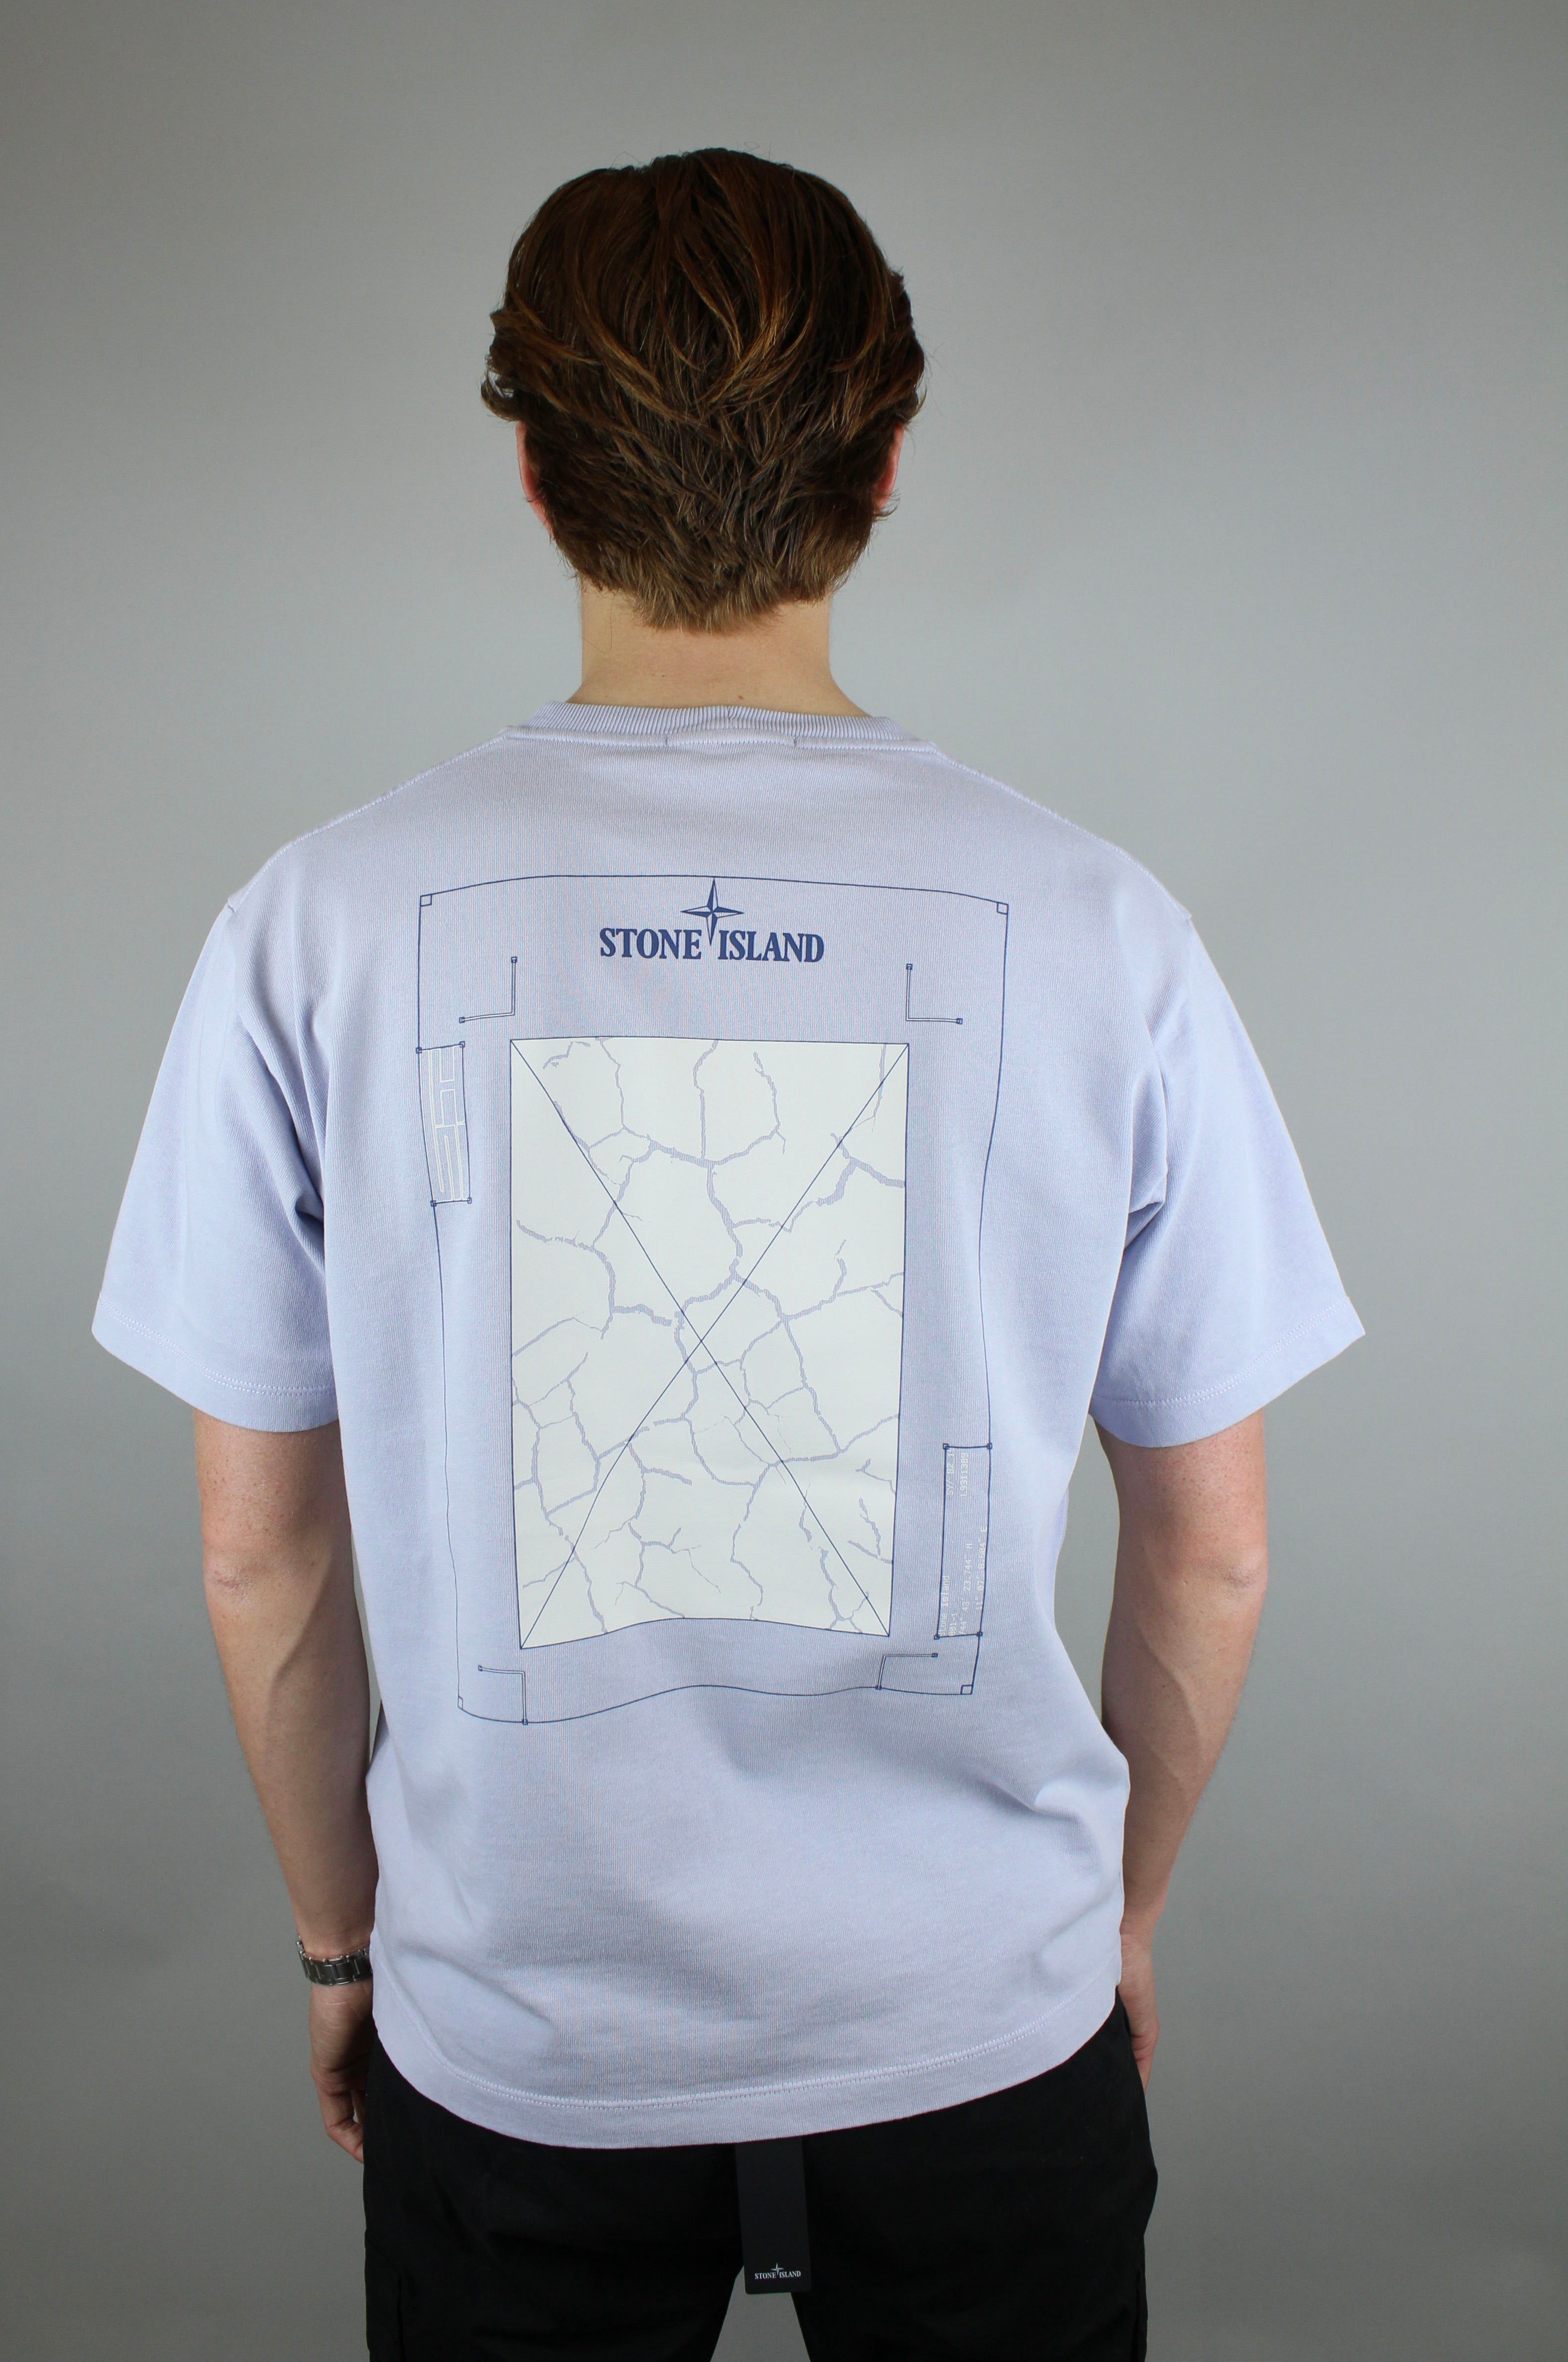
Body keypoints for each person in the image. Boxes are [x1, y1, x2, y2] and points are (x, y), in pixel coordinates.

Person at [94, 149, 1361, 2362]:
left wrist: (343, 1949)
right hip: (982, 2018)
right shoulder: (1103, 928)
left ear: (532, 472)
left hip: (520, 2033)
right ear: (886, 465)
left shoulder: (314, 925)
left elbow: (259, 1558)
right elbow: (1217, 1551)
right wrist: (1113, 1919)